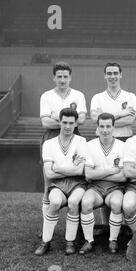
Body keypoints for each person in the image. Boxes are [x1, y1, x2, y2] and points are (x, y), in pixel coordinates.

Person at [39, 61, 87, 227]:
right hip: (51, 137)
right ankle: (46, 224)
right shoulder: (46, 96)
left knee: (76, 177)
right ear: (54, 78)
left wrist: (57, 118)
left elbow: (81, 120)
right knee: (48, 183)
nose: (62, 80)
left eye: (65, 76)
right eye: (59, 76)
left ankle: (77, 223)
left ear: (70, 77)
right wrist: (67, 122)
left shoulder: (78, 95)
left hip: (74, 137)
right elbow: (45, 123)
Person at [35, 108, 87, 256]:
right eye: (65, 122)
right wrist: (69, 168)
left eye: (71, 123)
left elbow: (80, 171)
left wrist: (58, 168)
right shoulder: (49, 144)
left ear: (76, 123)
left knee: (73, 201)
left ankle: (70, 242)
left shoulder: (81, 141)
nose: (68, 126)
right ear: (59, 122)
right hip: (57, 184)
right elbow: (49, 173)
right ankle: (45, 242)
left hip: (78, 184)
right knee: (55, 202)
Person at [78, 113, 126, 255]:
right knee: (86, 202)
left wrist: (100, 172)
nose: (105, 130)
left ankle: (113, 240)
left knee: (117, 203)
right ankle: (89, 240)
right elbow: (89, 174)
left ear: (113, 127)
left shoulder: (122, 146)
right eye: (102, 126)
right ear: (97, 128)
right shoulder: (90, 145)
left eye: (108, 126)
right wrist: (111, 171)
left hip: (115, 187)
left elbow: (123, 177)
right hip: (96, 187)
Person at [90, 62, 136, 142]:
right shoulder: (97, 97)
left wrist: (103, 119)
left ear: (120, 75)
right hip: (102, 139)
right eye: (109, 73)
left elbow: (129, 120)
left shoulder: (130, 96)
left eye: (115, 73)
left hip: (124, 138)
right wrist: (121, 114)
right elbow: (95, 119)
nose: (112, 76)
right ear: (105, 76)